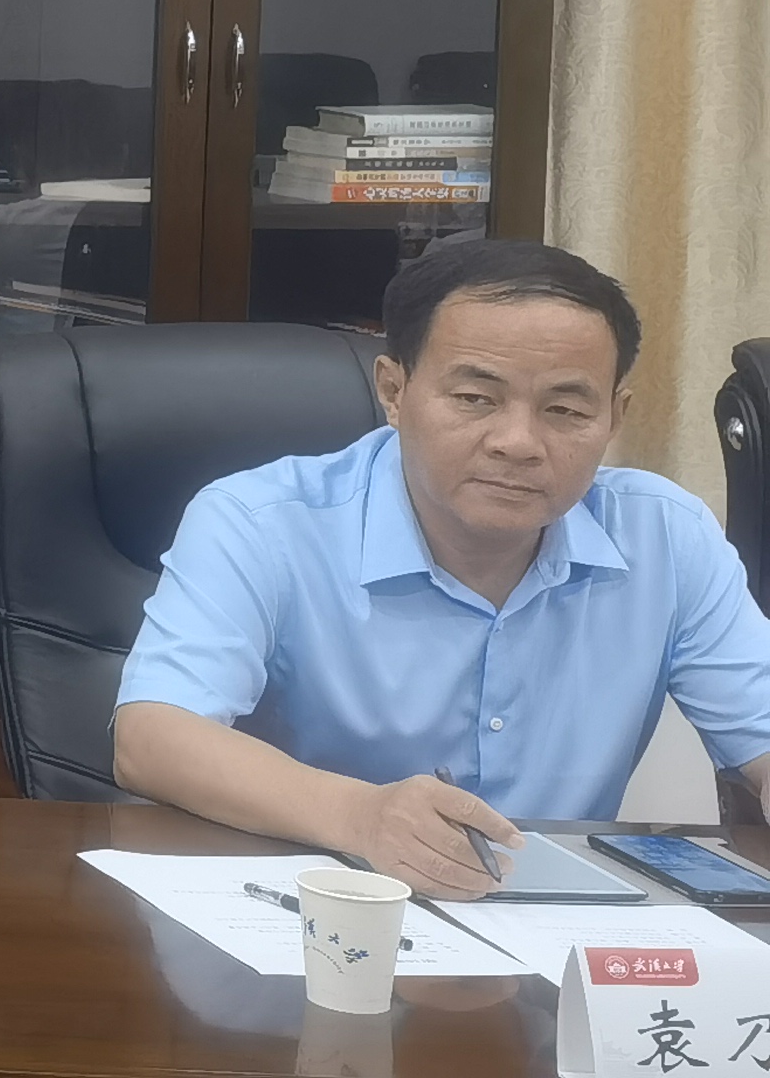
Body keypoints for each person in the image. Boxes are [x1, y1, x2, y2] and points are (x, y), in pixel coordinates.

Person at [112, 238, 770, 899]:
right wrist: (362, 817)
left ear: (614, 417)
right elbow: (153, 738)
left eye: (566, 411)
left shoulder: (665, 534)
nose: (518, 443)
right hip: (316, 908)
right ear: (394, 391)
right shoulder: (261, 522)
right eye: (476, 398)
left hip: (560, 925)